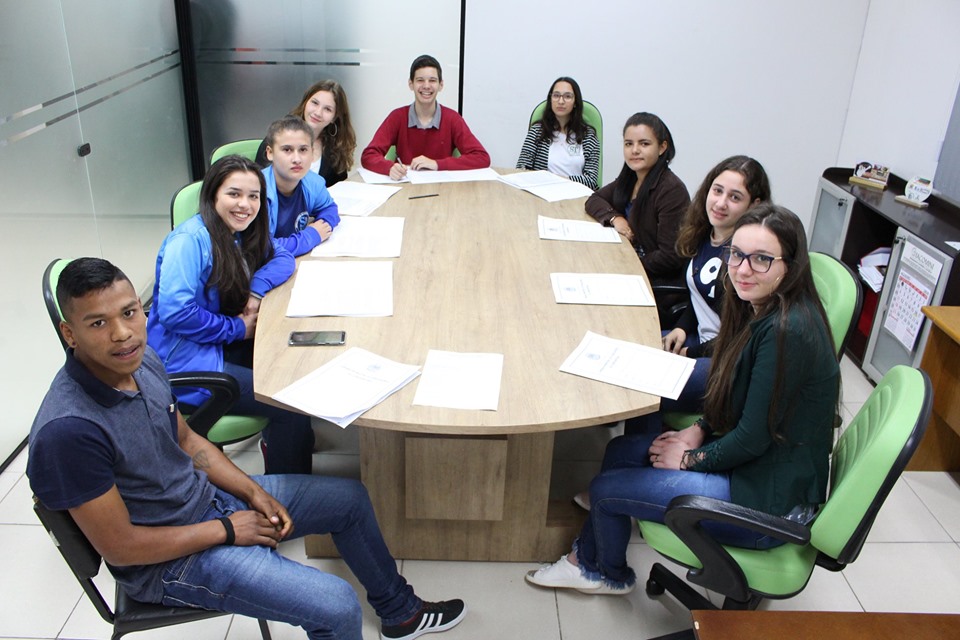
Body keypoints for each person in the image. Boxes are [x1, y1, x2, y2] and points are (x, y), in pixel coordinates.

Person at [27, 257, 467, 640]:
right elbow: (122, 548)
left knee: (348, 500)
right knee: (336, 605)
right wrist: (227, 530)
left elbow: (187, 441)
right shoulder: (69, 433)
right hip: (169, 561)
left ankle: (401, 613)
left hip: (207, 502)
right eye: (98, 323)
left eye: (129, 312)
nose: (123, 334)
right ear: (70, 333)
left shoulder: (140, 361)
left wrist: (252, 492)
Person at [526, 204, 840, 594]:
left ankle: (600, 572)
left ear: (790, 266)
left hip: (766, 504)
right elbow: (736, 389)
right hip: (758, 469)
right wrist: (700, 429)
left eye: (761, 259)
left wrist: (690, 459)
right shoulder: (762, 306)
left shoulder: (786, 333)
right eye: (737, 254)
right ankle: (591, 559)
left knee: (606, 490)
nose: (743, 269)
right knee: (621, 451)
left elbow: (751, 439)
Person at [147, 155, 314, 474]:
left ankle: (282, 451)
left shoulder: (239, 232)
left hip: (216, 345)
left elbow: (282, 257)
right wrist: (237, 328)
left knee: (291, 359)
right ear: (213, 195)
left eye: (253, 196)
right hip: (184, 363)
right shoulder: (189, 241)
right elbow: (176, 312)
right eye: (234, 194)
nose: (245, 205)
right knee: (290, 401)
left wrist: (256, 290)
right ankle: (287, 493)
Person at [624, 155, 772, 436]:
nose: (720, 203)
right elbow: (700, 295)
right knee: (635, 351)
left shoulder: (744, 257)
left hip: (728, 360)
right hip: (702, 341)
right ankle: (642, 441)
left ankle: (644, 450)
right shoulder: (707, 235)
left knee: (646, 381)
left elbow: (742, 335)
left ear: (754, 205)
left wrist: (691, 353)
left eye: (735, 197)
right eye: (718, 191)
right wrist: (682, 327)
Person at [585, 112, 690, 321]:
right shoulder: (631, 177)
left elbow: (670, 256)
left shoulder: (671, 190)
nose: (634, 150)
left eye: (644, 144)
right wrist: (615, 218)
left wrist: (627, 264)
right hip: (627, 264)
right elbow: (594, 200)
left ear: (662, 147)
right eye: (628, 144)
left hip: (650, 280)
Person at [361, 54, 490, 181]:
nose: (426, 86)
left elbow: (482, 157)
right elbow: (368, 155)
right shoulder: (397, 117)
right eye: (420, 80)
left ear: (441, 85)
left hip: (442, 188)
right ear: (411, 84)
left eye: (432, 80)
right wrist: (389, 168)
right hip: (405, 187)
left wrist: (437, 164)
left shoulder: (452, 119)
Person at [255, 79, 357, 189]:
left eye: (327, 109)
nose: (318, 113)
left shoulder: (336, 146)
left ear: (334, 117)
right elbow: (261, 184)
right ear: (305, 103)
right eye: (314, 103)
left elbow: (338, 188)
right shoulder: (280, 134)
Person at [262, 116, 341, 257]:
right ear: (270, 153)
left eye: (303, 150)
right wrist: (311, 236)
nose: (297, 159)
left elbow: (329, 208)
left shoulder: (313, 182)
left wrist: (322, 225)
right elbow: (261, 249)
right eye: (287, 150)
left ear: (312, 153)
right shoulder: (256, 193)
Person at [515, 76, 599, 190]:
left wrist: (559, 180)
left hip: (577, 193)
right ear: (550, 99)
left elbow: (592, 180)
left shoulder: (588, 136)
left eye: (567, 96)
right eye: (556, 95)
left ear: (575, 102)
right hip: (542, 192)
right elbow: (521, 169)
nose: (561, 101)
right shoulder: (537, 131)